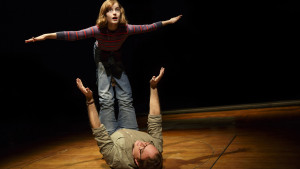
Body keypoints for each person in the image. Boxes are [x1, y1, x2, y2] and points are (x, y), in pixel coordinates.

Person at [25, 0, 182, 135]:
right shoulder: (98, 30)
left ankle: (130, 131)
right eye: (109, 10)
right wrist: (46, 36)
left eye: (117, 9)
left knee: (125, 95)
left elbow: (149, 27)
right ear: (104, 15)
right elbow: (74, 34)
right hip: (101, 56)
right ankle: (111, 134)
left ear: (121, 13)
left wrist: (169, 21)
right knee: (106, 98)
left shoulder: (126, 29)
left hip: (116, 55)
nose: (114, 13)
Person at [76, 67, 165, 169]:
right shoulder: (156, 148)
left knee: (106, 101)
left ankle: (102, 64)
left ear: (136, 161)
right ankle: (117, 63)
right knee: (126, 99)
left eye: (141, 149)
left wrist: (90, 100)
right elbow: (155, 120)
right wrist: (153, 87)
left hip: (111, 136)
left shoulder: (118, 160)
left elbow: (98, 130)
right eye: (147, 144)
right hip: (131, 129)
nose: (142, 143)